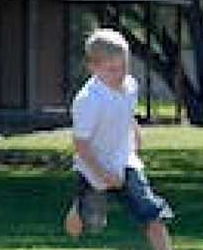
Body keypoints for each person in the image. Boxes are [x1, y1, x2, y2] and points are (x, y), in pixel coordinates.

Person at [64, 28, 174, 250]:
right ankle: (78, 209)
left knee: (151, 212)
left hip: (126, 162)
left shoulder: (130, 85)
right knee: (88, 225)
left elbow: (125, 111)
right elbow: (81, 144)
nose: (120, 74)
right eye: (113, 69)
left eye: (124, 66)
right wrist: (103, 174)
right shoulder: (88, 100)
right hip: (94, 167)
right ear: (93, 67)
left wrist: (134, 131)